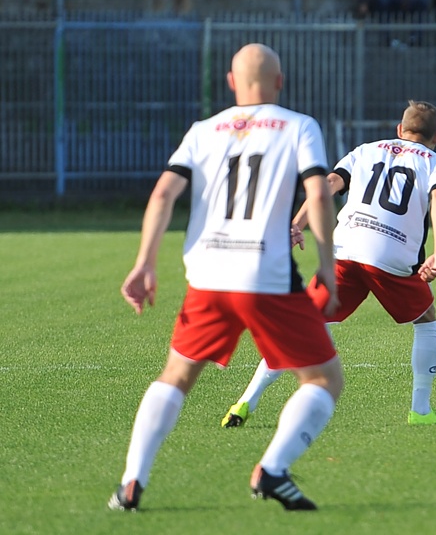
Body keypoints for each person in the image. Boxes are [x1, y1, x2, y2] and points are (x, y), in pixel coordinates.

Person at [109, 43, 343, 512]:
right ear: (279, 82)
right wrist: (325, 262)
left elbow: (162, 194)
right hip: (267, 277)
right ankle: (272, 470)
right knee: (322, 379)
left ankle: (131, 484)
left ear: (232, 83)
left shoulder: (204, 130)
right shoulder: (299, 125)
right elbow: (317, 194)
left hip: (208, 275)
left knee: (176, 375)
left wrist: (145, 262)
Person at [221, 100, 436, 428]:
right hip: (391, 257)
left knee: (304, 327)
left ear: (399, 130)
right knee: (425, 320)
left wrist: (297, 224)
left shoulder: (365, 150)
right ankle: (421, 410)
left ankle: (245, 401)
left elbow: (328, 184)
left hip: (345, 250)